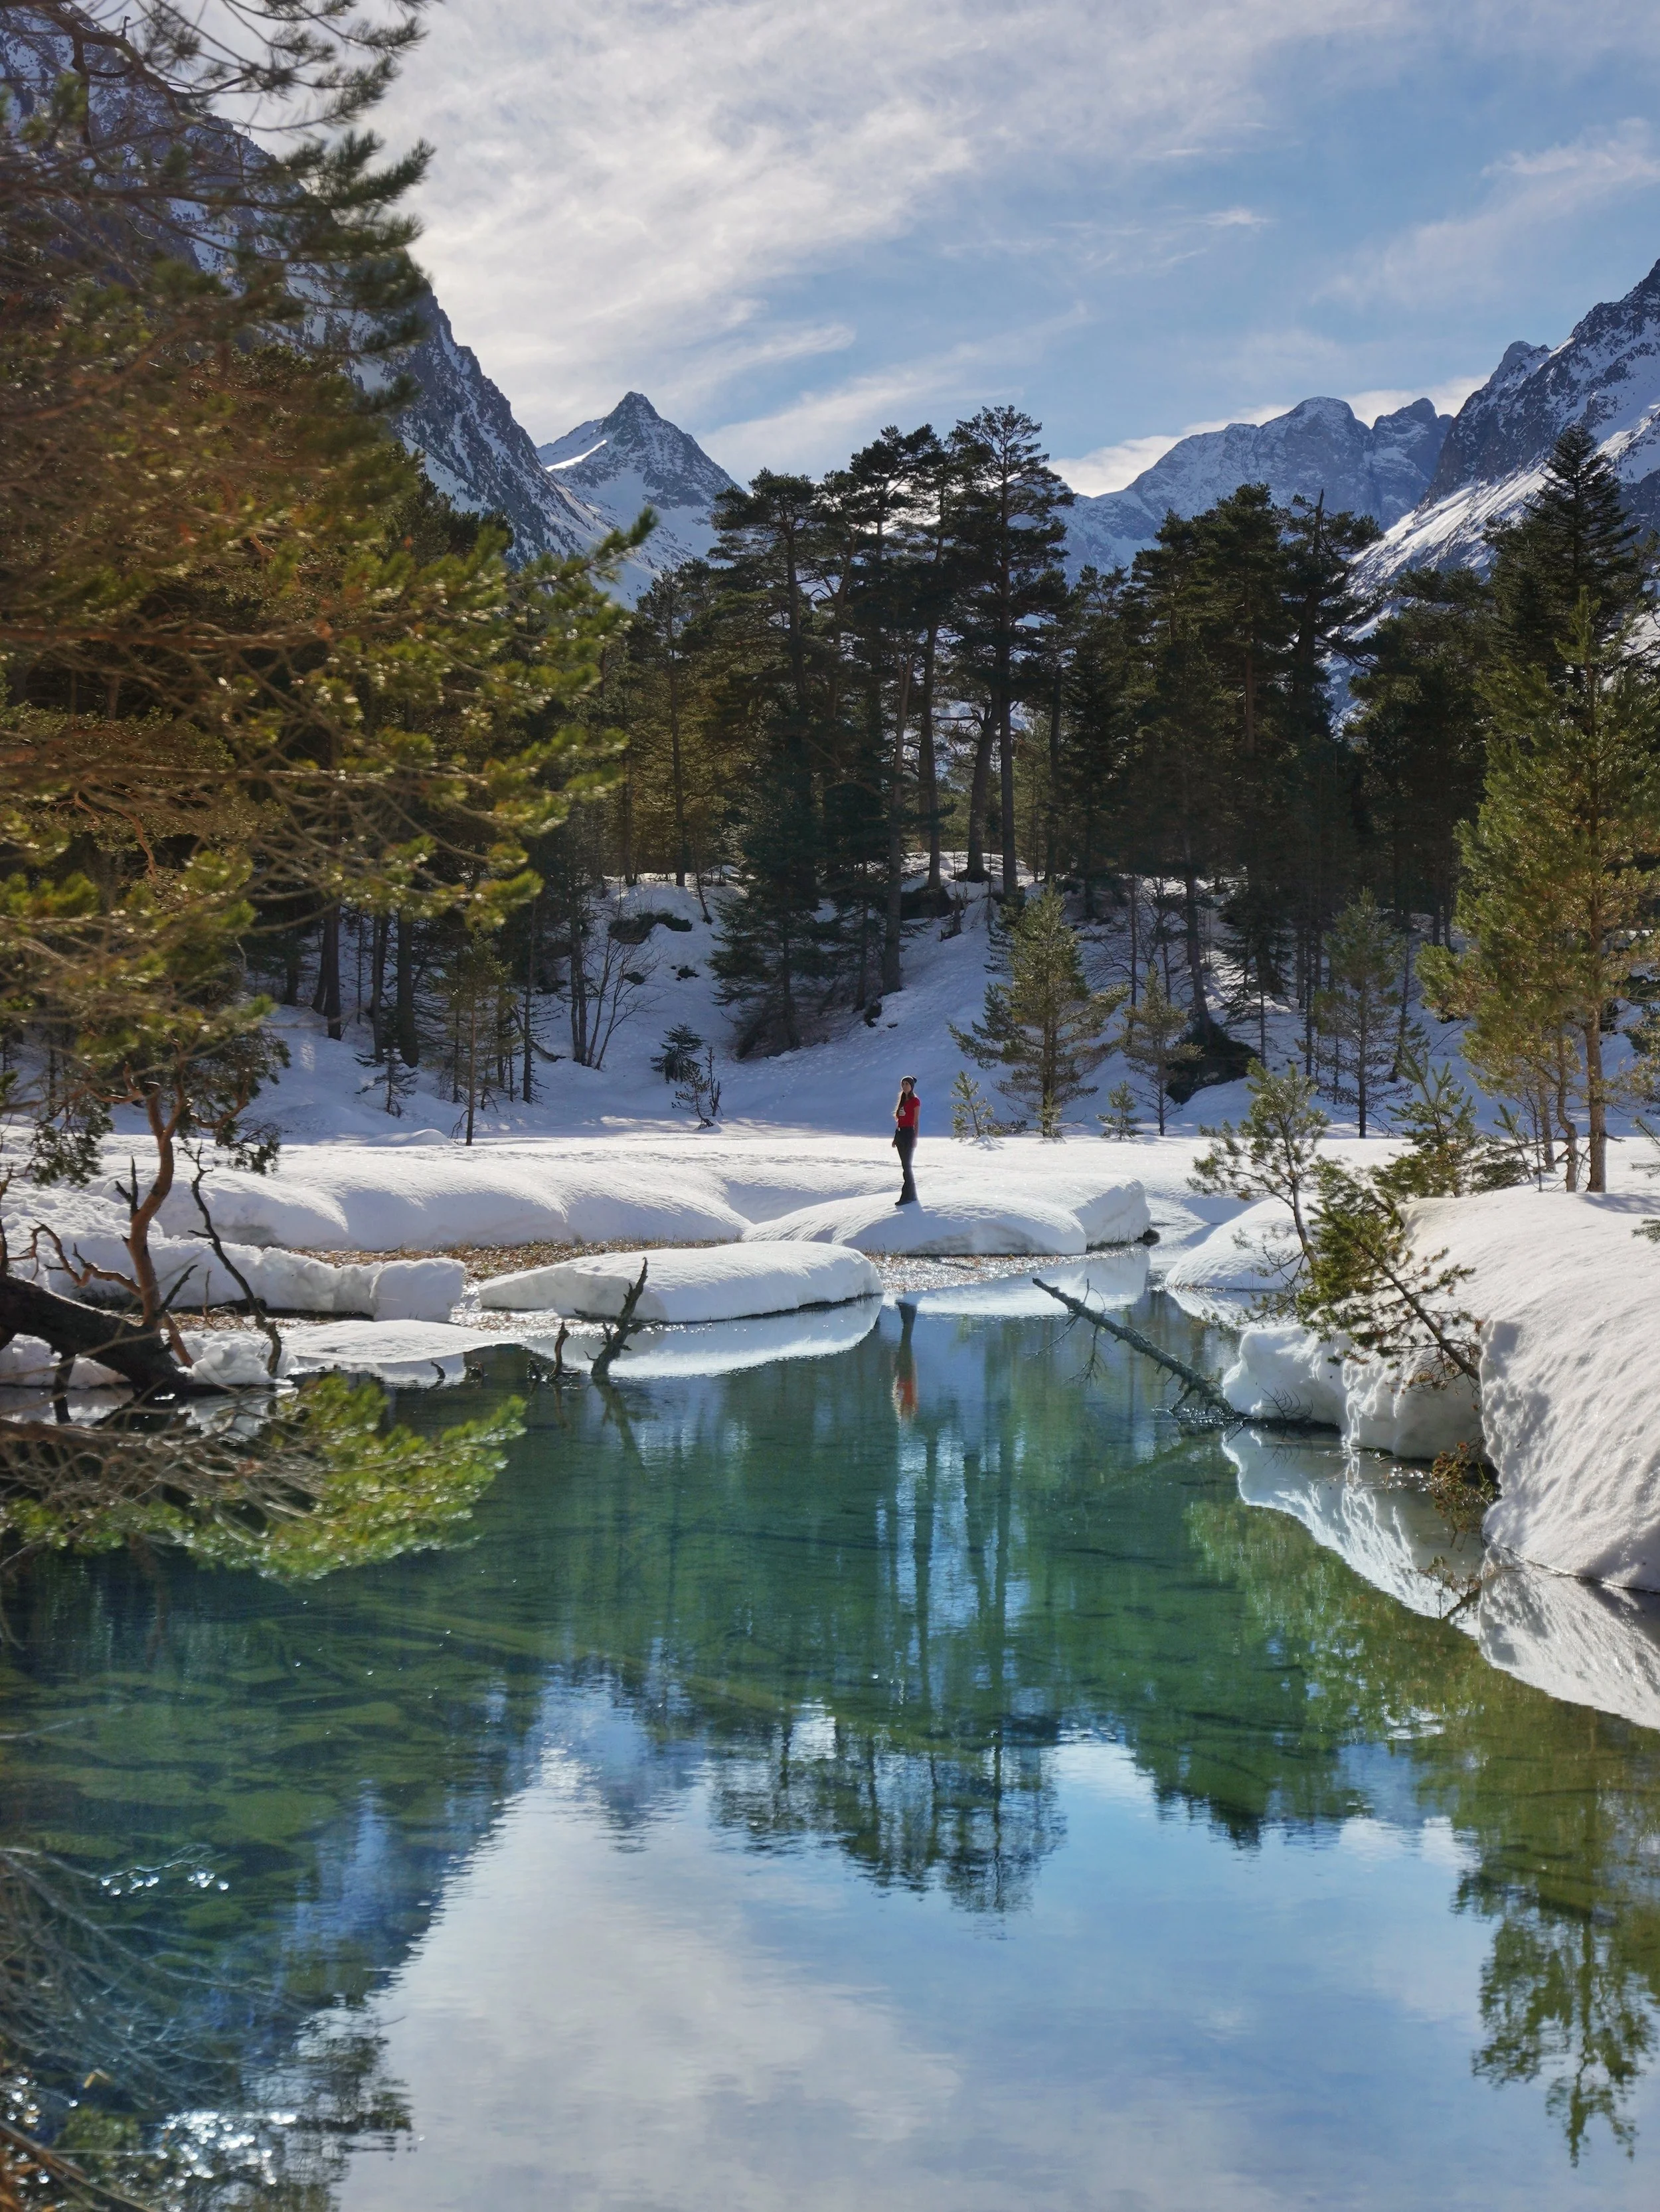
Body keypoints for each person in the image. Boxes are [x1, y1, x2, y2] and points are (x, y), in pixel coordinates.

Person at [892, 1076, 920, 1206]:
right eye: (903, 1084)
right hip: (900, 1134)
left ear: (912, 1086)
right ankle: (912, 1195)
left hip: (909, 1133)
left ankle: (907, 1196)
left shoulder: (915, 1101)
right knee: (905, 1166)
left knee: (907, 1166)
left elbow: (916, 1121)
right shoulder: (902, 1100)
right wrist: (895, 1138)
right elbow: (899, 1121)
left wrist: (915, 1138)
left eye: (907, 1084)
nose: (904, 1086)